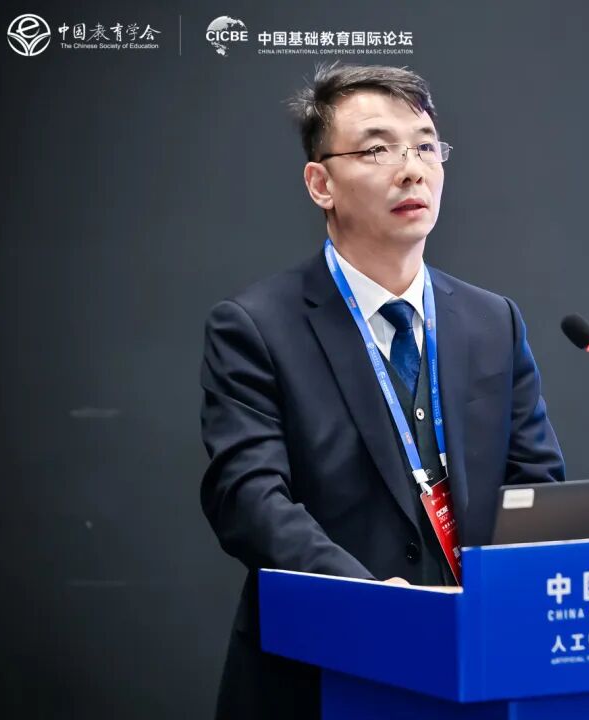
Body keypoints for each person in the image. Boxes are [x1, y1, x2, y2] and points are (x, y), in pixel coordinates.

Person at [198, 63, 565, 719]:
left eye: (425, 146)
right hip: (322, 669)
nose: (411, 170)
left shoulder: (492, 321)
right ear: (321, 183)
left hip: (473, 669)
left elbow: (536, 481)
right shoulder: (256, 327)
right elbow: (248, 499)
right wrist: (369, 599)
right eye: (377, 150)